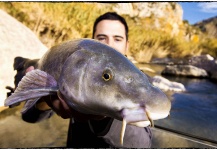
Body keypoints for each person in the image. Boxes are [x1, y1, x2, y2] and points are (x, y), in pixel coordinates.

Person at [15, 12, 152, 148]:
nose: (109, 45)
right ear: (92, 41)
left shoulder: (146, 84)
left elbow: (144, 144)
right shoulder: (76, 70)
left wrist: (104, 116)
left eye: (117, 39)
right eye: (101, 38)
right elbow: (29, 117)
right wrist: (43, 98)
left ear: (127, 45)